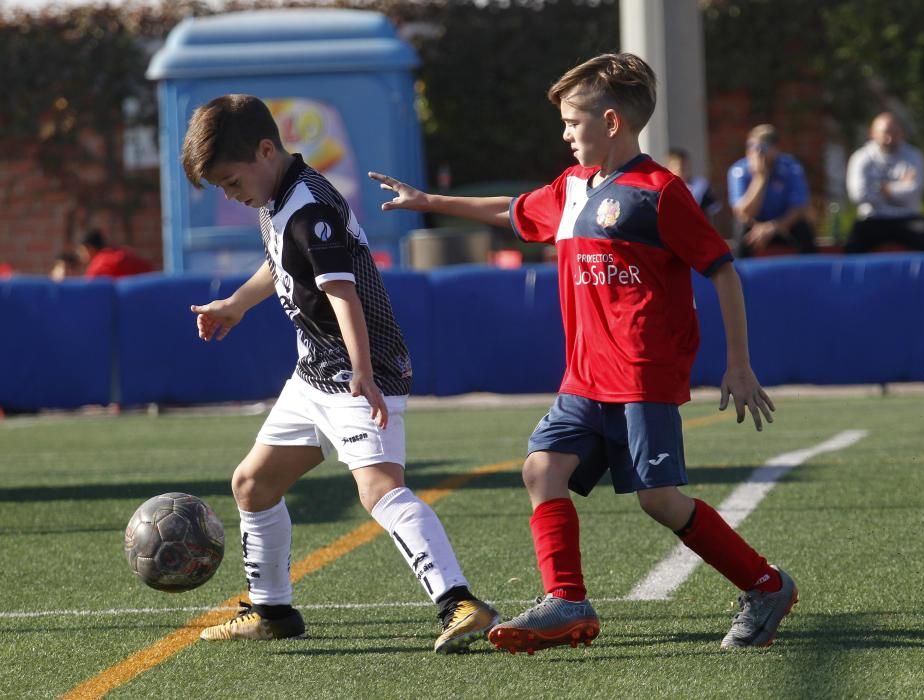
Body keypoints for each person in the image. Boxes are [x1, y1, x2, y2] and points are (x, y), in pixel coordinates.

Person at [370, 53, 795, 655]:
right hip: (583, 378)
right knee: (541, 469)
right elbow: (511, 208)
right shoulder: (572, 187)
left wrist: (739, 363)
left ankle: (765, 584)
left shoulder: (660, 192)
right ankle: (566, 599)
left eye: (574, 122)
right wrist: (428, 202)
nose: (565, 134)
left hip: (642, 374)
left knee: (660, 500)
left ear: (613, 122)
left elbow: (723, 271)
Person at [179, 94, 497, 652]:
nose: (232, 194)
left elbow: (342, 292)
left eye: (231, 182)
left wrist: (365, 372)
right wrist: (236, 304)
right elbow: (279, 263)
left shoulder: (310, 208)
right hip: (314, 373)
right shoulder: (274, 194)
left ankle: (460, 603)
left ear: (264, 149)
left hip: (356, 369)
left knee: (378, 490)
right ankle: (272, 610)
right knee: (252, 484)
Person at [844, 112, 924, 253]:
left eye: (894, 133)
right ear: (873, 134)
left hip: (907, 218)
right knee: (853, 246)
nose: (890, 139)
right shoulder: (861, 158)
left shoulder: (914, 156)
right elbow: (858, 194)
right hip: (873, 218)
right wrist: (897, 187)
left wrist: (880, 189)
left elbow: (915, 190)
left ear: (902, 133)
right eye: (885, 133)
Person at [727, 124, 816, 257]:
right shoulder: (739, 171)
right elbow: (743, 212)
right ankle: (739, 274)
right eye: (750, 147)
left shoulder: (791, 168)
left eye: (760, 149)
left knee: (804, 230)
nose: (754, 153)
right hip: (753, 225)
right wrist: (760, 178)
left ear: (775, 149)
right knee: (741, 230)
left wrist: (773, 227)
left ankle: (812, 272)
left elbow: (798, 208)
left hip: (783, 224)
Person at [667, 147, 722, 222]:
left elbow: (713, 210)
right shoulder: (666, 189)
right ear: (669, 167)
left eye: (684, 164)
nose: (681, 168)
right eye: (677, 165)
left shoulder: (701, 185)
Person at [78, 229, 154, 278]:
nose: (81, 255)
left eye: (82, 250)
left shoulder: (98, 266)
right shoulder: (125, 253)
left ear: (90, 249)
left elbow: (90, 292)